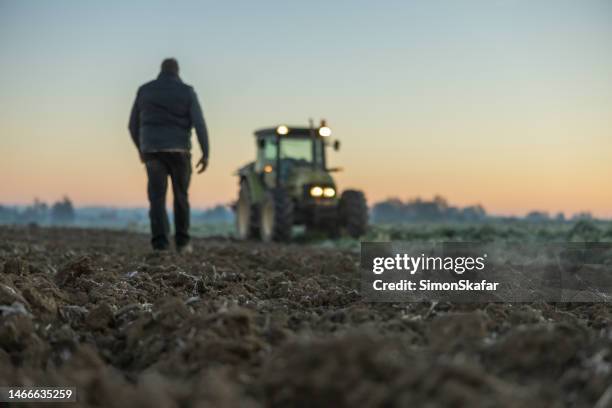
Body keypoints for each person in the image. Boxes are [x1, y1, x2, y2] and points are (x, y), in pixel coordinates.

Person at [129, 58, 209, 253]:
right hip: (180, 151)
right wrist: (206, 153)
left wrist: (141, 149)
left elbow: (132, 125)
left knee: (157, 199)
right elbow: (199, 123)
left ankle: (160, 244)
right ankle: (183, 243)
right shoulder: (187, 91)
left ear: (161, 70)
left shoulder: (145, 90)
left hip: (153, 152)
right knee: (181, 197)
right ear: (177, 71)